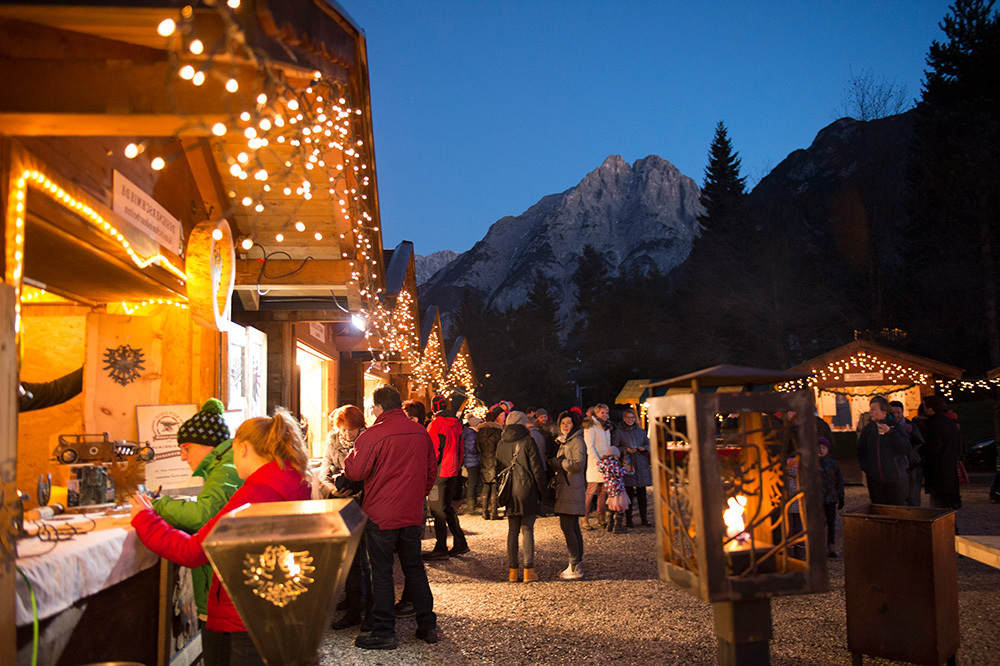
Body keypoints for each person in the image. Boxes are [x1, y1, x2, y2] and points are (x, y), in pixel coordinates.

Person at [130, 409, 312, 666]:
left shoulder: (256, 493)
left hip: (244, 618)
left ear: (244, 448)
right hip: (272, 613)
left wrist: (145, 518)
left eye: (233, 451)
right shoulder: (290, 482)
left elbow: (192, 552)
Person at [344, 385, 438, 650]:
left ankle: (384, 631)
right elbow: (431, 470)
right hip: (411, 513)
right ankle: (427, 625)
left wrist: (353, 450)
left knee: (382, 573)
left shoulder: (374, 434)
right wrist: (418, 495)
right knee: (414, 568)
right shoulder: (421, 432)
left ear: (379, 408)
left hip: (381, 515)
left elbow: (355, 471)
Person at [151, 398, 242, 626]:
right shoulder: (223, 466)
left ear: (208, 445)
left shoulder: (225, 471)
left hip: (223, 590)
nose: (183, 456)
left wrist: (155, 505)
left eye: (186, 448)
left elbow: (203, 515)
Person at [315, 405, 370, 631]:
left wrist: (355, 489)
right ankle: (352, 601)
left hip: (365, 506)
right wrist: (334, 491)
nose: (347, 434)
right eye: (343, 430)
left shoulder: (368, 442)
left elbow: (369, 474)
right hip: (342, 505)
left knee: (364, 559)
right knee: (348, 557)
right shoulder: (332, 444)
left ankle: (362, 605)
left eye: (351, 430)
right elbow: (323, 473)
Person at [496, 419, 547, 582]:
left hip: (510, 490)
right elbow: (537, 468)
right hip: (527, 489)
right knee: (527, 530)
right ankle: (528, 570)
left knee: (512, 530)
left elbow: (498, 469)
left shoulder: (501, 442)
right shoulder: (528, 441)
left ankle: (512, 571)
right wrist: (543, 493)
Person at [425, 395, 469, 559]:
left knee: (437, 510)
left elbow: (433, 452)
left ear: (434, 408)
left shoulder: (435, 424)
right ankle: (460, 543)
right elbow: (461, 449)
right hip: (452, 471)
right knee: (447, 508)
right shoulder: (456, 424)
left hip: (439, 472)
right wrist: (457, 468)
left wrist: (428, 471)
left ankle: (441, 547)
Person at [549, 410, 587, 579]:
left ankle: (574, 566)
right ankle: (576, 563)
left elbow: (579, 464)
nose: (565, 426)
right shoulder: (565, 441)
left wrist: (559, 462)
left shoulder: (576, 441)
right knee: (573, 527)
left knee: (568, 527)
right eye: (563, 423)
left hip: (572, 487)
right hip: (568, 486)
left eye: (568, 423)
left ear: (574, 425)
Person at [856, 395, 914, 506]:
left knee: (897, 509)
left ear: (884, 412)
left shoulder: (895, 427)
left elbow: (906, 448)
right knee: (878, 509)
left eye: (873, 409)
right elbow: (861, 451)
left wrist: (890, 433)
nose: (870, 412)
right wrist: (867, 468)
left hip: (895, 478)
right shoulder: (868, 430)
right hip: (875, 479)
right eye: (870, 409)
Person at [921, 395, 961, 511]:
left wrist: (920, 449)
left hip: (937, 470)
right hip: (949, 469)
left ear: (930, 408)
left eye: (925, 406)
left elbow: (933, 449)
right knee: (948, 504)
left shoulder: (933, 424)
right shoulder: (950, 423)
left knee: (939, 507)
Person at [613, 407, 652, 527]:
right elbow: (614, 448)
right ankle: (629, 520)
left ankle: (644, 519)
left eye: (632, 417)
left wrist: (644, 448)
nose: (630, 420)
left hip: (640, 464)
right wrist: (625, 450)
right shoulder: (618, 432)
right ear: (624, 418)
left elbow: (648, 444)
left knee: (642, 494)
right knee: (629, 494)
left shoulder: (641, 432)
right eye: (628, 417)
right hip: (627, 465)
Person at [582, 403, 613, 529]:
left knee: (603, 492)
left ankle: (601, 516)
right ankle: (585, 517)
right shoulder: (591, 426)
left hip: (605, 462)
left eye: (606, 413)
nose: (605, 415)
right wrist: (597, 461)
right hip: (596, 464)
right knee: (590, 492)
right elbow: (589, 445)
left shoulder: (605, 427)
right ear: (597, 413)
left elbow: (608, 444)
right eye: (602, 413)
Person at [890, 400, 925, 507]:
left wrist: (911, 433)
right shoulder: (887, 427)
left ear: (902, 412)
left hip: (912, 464)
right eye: (893, 413)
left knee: (913, 496)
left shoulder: (911, 425)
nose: (896, 415)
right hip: (896, 465)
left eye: (898, 413)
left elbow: (920, 441)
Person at [477, 405, 506, 520]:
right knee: (494, 487)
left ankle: (484, 512)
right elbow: (500, 447)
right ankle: (493, 512)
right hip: (494, 460)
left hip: (484, 460)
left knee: (485, 487)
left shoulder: (480, 431)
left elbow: (477, 448)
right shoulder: (498, 431)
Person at [817, 437, 845, 558]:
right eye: (819, 447)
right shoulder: (812, 463)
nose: (821, 450)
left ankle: (831, 545)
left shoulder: (833, 464)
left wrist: (841, 496)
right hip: (817, 499)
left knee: (831, 523)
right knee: (819, 523)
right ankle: (819, 546)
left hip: (831, 498)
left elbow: (839, 481)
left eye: (824, 447)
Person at [597, 446, 629, 534]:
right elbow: (617, 472)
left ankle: (609, 525)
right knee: (620, 506)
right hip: (617, 487)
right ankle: (617, 527)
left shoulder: (603, 463)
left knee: (612, 507)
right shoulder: (613, 462)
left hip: (609, 488)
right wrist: (625, 470)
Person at [461, 415, 483, 515]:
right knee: (472, 484)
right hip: (472, 461)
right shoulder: (471, 434)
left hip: (471, 461)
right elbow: (471, 448)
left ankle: (472, 504)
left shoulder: (470, 433)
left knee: (472, 483)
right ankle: (471, 506)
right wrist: (479, 450)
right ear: (476, 425)